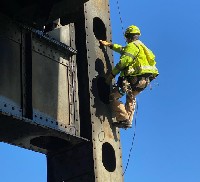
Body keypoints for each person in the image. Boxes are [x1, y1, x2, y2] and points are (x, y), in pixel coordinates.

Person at [99, 25, 159, 129]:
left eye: (126, 38)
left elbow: (123, 62)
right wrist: (110, 45)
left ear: (128, 36)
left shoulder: (132, 46)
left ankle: (123, 119)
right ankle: (128, 121)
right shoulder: (143, 48)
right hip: (143, 82)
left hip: (132, 80)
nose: (126, 40)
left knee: (113, 97)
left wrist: (112, 75)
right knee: (131, 98)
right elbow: (123, 49)